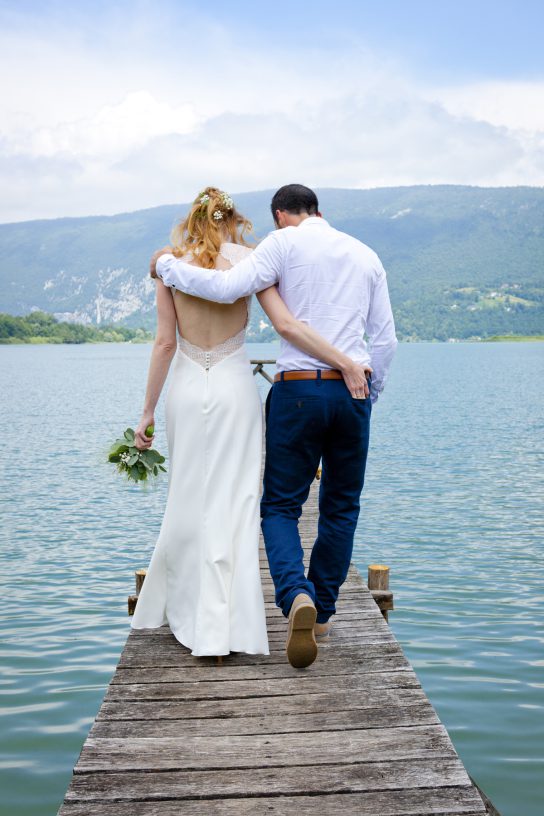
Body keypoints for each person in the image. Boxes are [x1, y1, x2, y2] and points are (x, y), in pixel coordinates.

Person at [150, 183, 398, 669]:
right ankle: (322, 612)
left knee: (281, 505)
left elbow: (223, 287)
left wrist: (165, 266)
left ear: (281, 215)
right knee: (342, 507)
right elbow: (385, 340)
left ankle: (293, 595)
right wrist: (368, 390)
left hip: (298, 389)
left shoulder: (281, 245)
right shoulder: (366, 255)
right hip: (355, 392)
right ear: (319, 212)